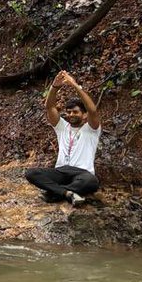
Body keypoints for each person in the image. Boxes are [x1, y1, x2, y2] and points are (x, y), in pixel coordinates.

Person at [25, 70, 102, 206]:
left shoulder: (91, 129)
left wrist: (74, 85)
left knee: (91, 181)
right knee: (31, 173)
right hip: (61, 171)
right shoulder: (62, 127)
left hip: (82, 173)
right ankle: (67, 193)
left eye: (75, 112)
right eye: (69, 112)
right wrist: (54, 87)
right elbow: (49, 107)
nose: (71, 114)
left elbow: (93, 110)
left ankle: (54, 193)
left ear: (84, 115)